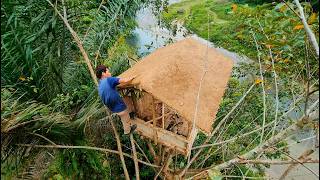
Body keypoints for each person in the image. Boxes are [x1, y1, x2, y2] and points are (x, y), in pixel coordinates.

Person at [95, 64, 137, 135]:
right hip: (120, 108)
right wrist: (133, 77)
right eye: (108, 71)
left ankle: (130, 114)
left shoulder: (100, 85)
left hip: (112, 108)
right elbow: (124, 80)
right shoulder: (109, 80)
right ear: (103, 73)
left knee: (127, 100)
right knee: (125, 118)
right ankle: (128, 131)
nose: (110, 73)